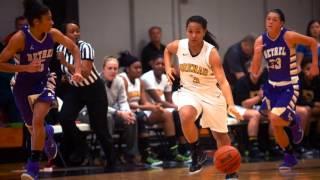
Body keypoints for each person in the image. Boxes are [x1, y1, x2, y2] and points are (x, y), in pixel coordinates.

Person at [0, 0, 83, 179]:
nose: (52, 22)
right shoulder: (19, 38)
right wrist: (25, 68)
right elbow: (0, 63)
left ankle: (33, 168)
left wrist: (76, 70)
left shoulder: (52, 34)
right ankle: (49, 134)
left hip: (45, 80)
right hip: (21, 84)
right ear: (36, 21)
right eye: (49, 19)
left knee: (37, 120)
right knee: (33, 127)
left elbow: (74, 48)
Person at [164, 15, 242, 179]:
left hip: (211, 94)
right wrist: (168, 67)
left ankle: (231, 171)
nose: (193, 35)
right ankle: (196, 151)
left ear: (204, 32)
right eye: (190, 31)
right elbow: (167, 50)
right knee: (185, 114)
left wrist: (231, 104)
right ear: (186, 31)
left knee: (219, 135)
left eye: (197, 32)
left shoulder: (211, 53)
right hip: (189, 91)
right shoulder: (180, 45)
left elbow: (223, 81)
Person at [250, 9, 319, 171]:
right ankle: (289, 154)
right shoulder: (260, 40)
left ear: (281, 23)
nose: (270, 22)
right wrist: (257, 54)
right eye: (268, 19)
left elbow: (312, 42)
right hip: (271, 86)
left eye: (275, 19)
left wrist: (315, 64)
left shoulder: (288, 36)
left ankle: (294, 123)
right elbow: (254, 70)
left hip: (289, 85)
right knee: (275, 123)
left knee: (275, 118)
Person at [56, 22, 115, 169]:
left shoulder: (85, 47)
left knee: (99, 127)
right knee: (64, 118)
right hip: (76, 90)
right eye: (72, 31)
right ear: (64, 35)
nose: (76, 34)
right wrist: (65, 76)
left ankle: (112, 161)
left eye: (77, 31)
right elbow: (67, 73)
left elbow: (84, 72)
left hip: (94, 89)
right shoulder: (60, 48)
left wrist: (65, 63)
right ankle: (81, 145)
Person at [101, 56, 139, 165]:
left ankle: (130, 154)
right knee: (107, 118)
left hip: (114, 112)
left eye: (115, 68)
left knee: (132, 117)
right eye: (110, 68)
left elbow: (123, 101)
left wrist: (126, 112)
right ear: (103, 69)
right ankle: (106, 155)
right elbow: (100, 106)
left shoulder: (119, 81)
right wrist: (119, 113)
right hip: (97, 113)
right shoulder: (97, 82)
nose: (113, 71)